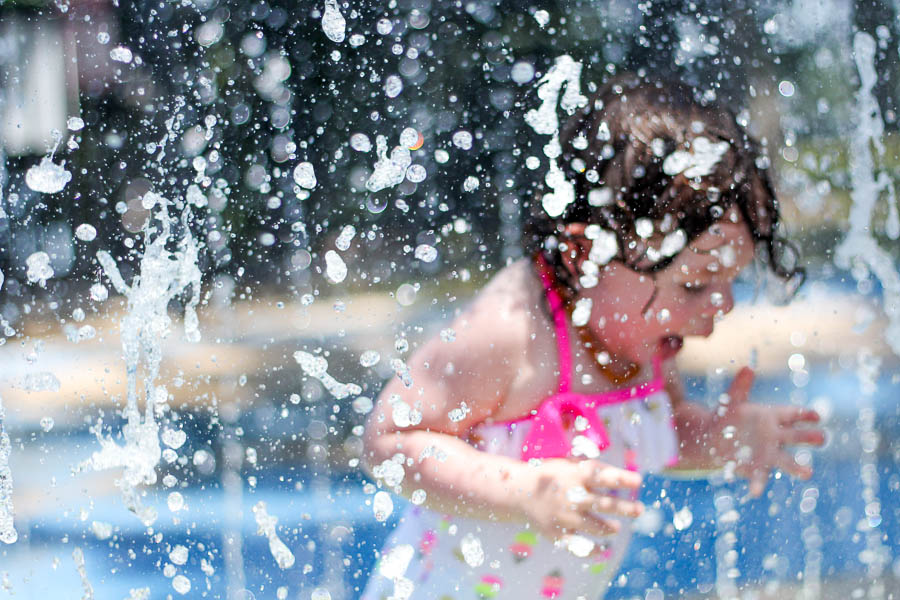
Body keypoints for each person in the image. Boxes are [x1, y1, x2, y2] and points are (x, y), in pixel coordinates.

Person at [359, 71, 825, 600]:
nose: (725, 304)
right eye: (696, 283)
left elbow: (663, 432)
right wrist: (523, 492)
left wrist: (720, 437)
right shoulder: (512, 331)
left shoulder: (646, 340)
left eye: (731, 280)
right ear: (586, 256)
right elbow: (389, 441)